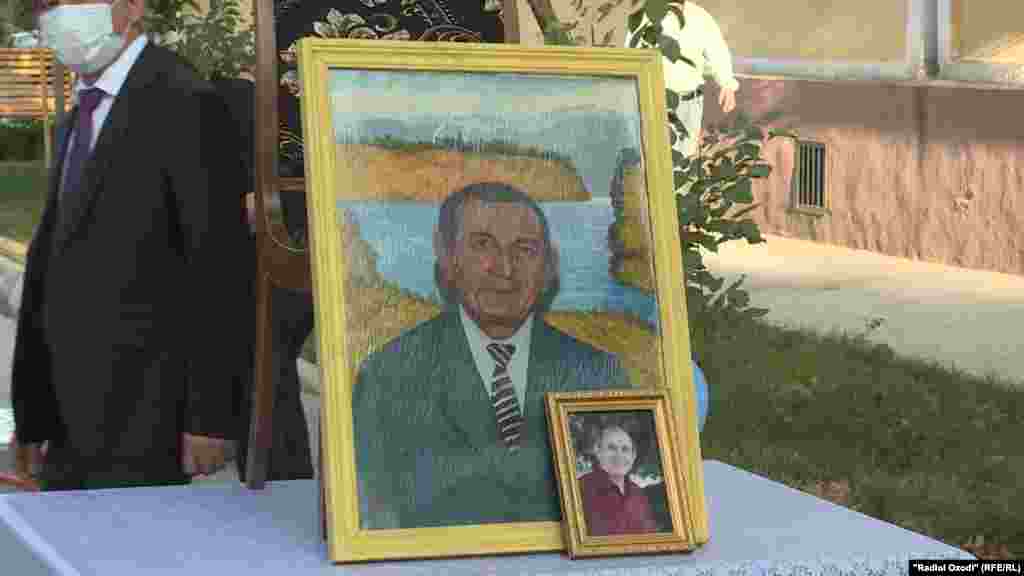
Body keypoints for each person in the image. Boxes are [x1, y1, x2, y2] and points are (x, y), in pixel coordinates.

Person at [11, 0, 249, 490]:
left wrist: (210, 415)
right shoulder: (81, 110)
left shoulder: (184, 99)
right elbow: (52, 264)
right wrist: (32, 414)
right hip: (67, 415)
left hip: (144, 414)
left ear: (134, 6)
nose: (56, 15)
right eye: (45, 4)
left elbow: (217, 264)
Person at [353, 182, 630, 529]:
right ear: (449, 258)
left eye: (524, 249)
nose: (504, 268)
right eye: (482, 245)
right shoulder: (386, 376)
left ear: (547, 266)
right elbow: (373, 515)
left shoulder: (599, 373)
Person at [211, 76, 314, 482]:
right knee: (266, 371)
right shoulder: (265, 103)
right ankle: (273, 476)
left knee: (265, 368)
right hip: (282, 261)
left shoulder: (243, 103)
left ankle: (277, 480)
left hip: (281, 264)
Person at [625, 1, 739, 157]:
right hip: (655, 101)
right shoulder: (646, 15)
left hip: (690, 103)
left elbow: (717, 51)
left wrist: (727, 85)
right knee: (654, 157)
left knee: (685, 158)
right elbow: (631, 54)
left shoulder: (700, 16)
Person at [579, 420, 659, 536]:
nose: (619, 455)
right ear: (597, 450)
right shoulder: (580, 489)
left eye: (625, 449)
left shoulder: (638, 494)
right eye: (611, 448)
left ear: (633, 456)